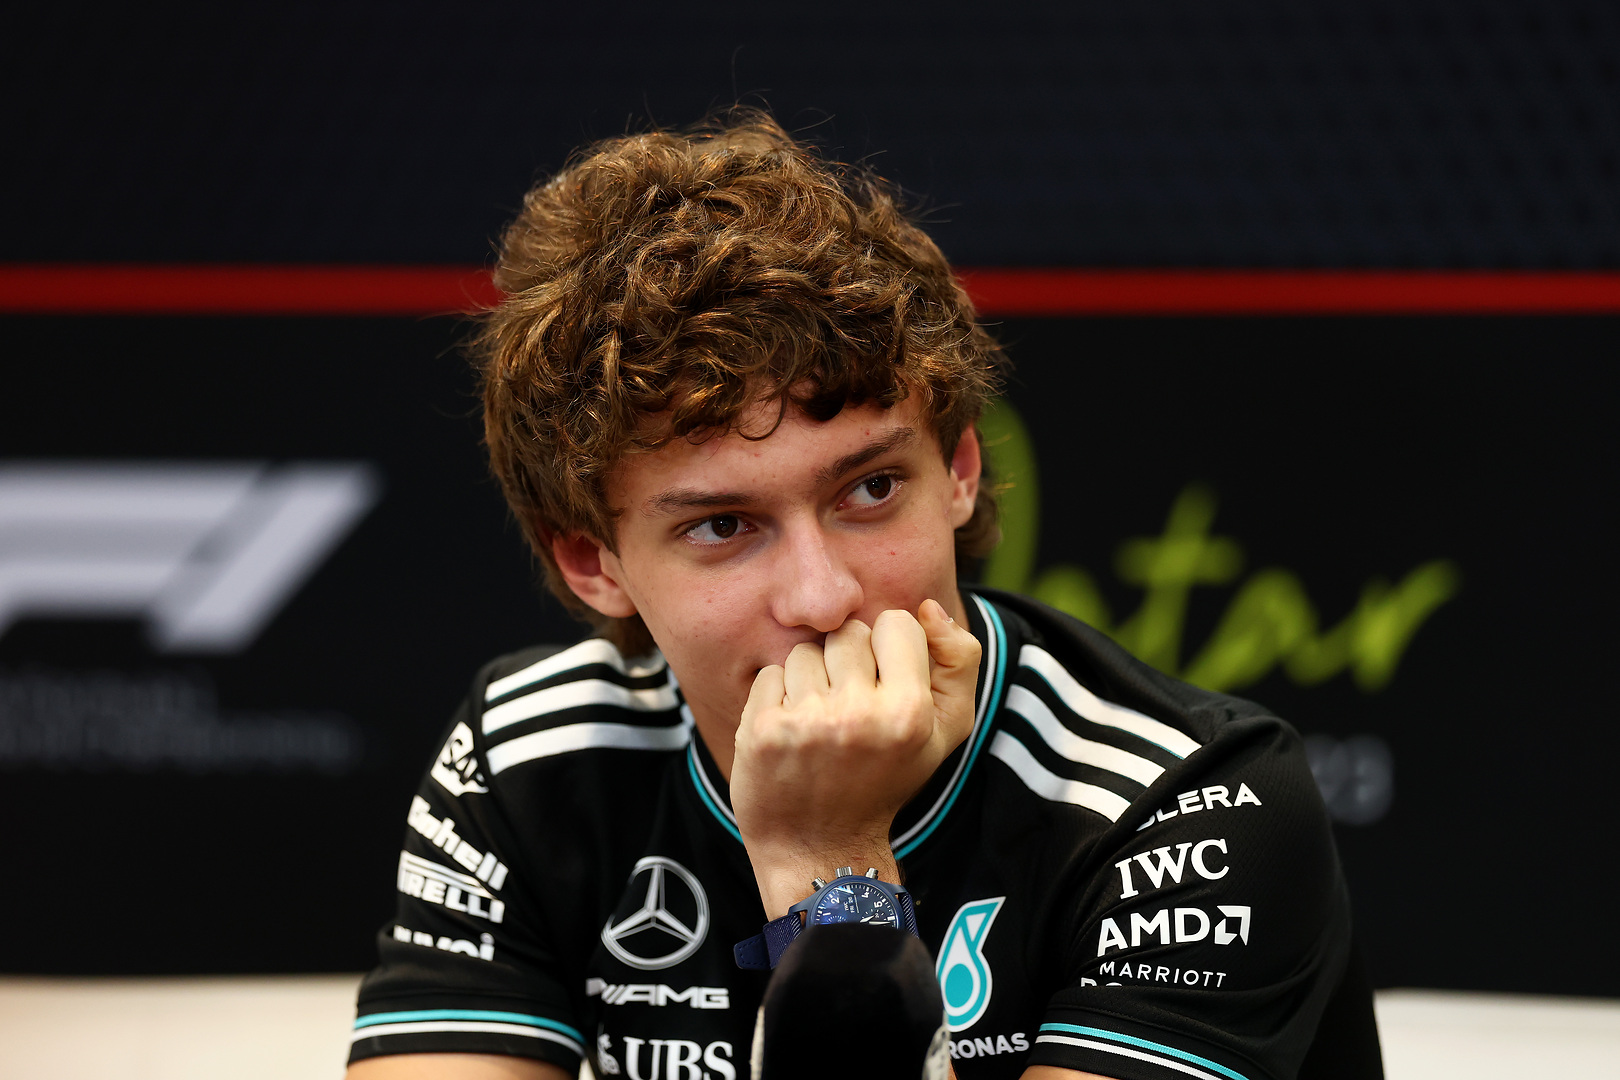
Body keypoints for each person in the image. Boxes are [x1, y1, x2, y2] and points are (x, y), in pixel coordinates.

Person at [346, 112, 1381, 1080]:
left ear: (960, 469)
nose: (823, 595)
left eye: (871, 490)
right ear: (593, 562)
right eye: (723, 526)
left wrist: (827, 868)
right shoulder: (524, 759)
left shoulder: (1186, 804)